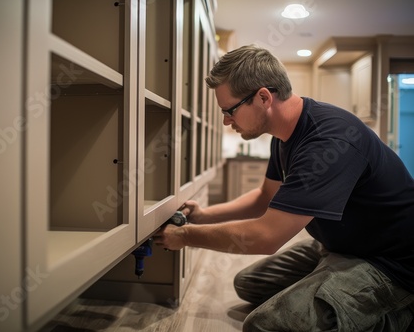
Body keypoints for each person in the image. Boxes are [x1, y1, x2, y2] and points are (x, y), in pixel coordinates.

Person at [153, 44, 414, 331]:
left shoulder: (329, 141)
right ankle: (332, 281)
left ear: (263, 97)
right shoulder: (284, 135)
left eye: (230, 110)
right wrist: (203, 215)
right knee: (250, 285)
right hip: (341, 246)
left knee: (267, 325)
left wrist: (186, 236)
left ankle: (397, 314)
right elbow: (265, 196)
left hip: (389, 264)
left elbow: (266, 237)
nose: (227, 120)